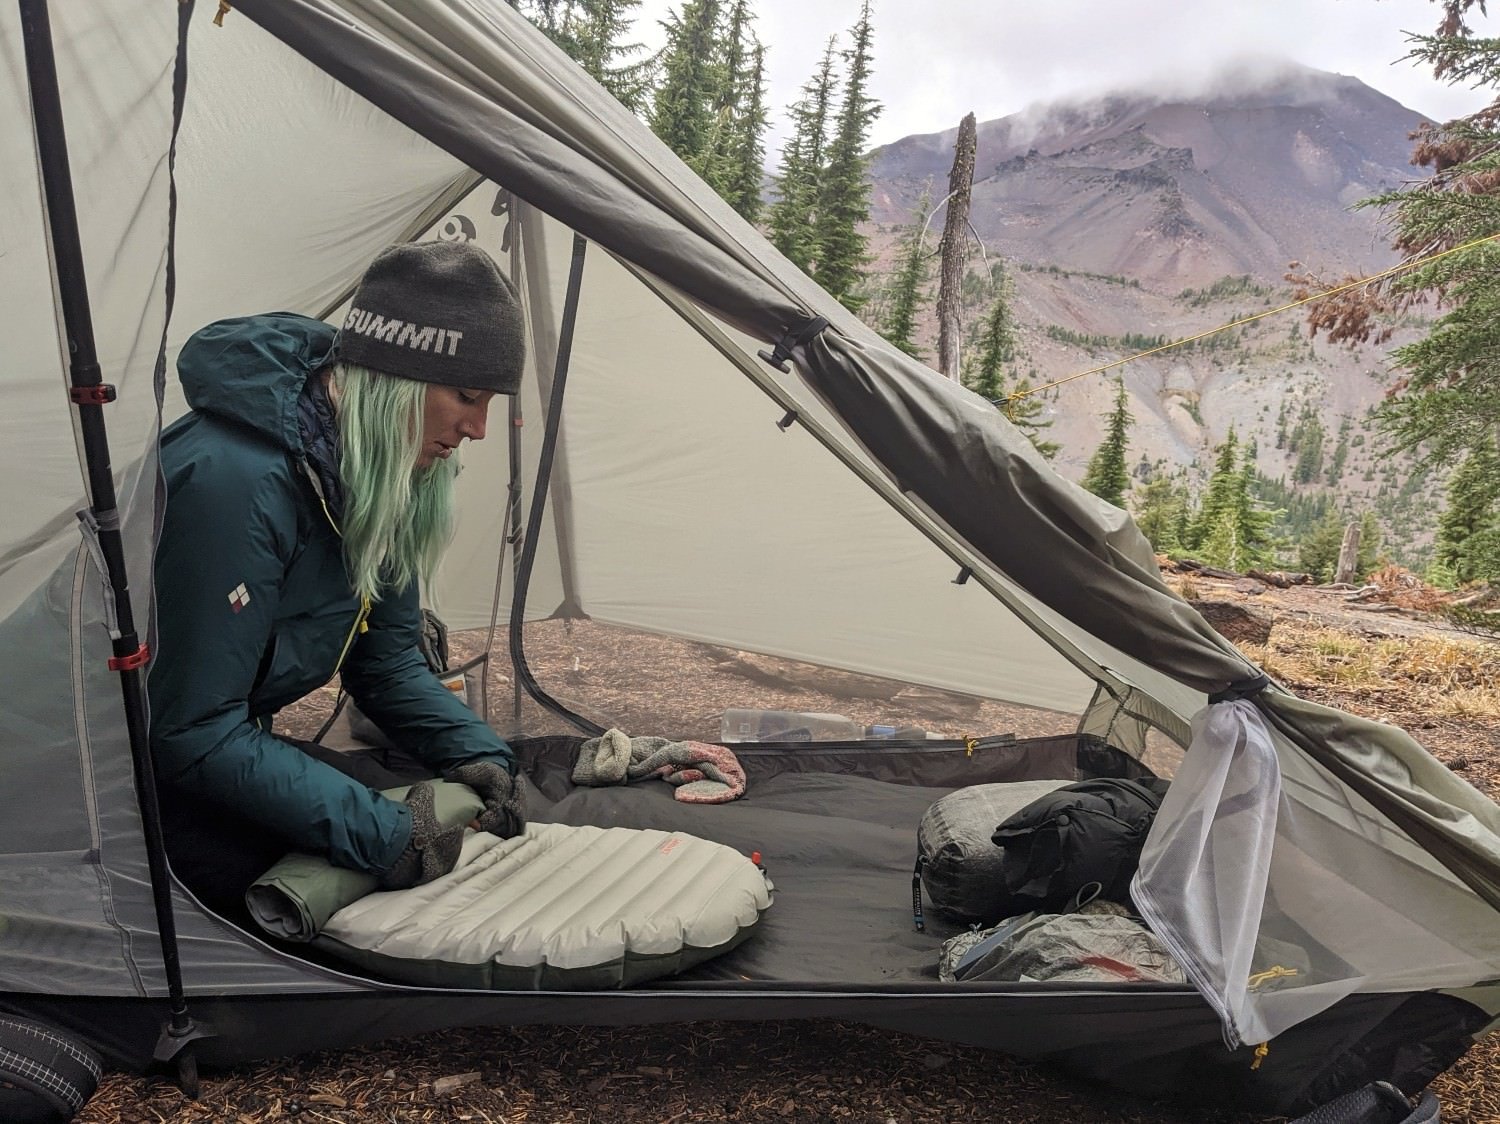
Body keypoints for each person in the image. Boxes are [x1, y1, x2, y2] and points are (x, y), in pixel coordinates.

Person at [149, 240, 527, 919]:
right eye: (467, 396)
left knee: (396, 804)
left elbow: (383, 665)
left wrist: (478, 755)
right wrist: (386, 835)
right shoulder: (235, 483)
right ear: (393, 381)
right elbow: (192, 731)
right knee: (318, 871)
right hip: (98, 775)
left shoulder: (379, 477)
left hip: (202, 747)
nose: (476, 428)